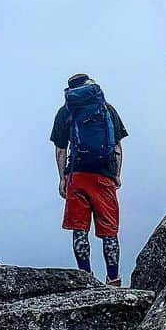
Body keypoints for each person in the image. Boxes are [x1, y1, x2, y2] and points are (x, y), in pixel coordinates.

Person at [50, 73, 128, 286]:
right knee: (109, 231)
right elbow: (118, 148)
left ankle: (85, 278)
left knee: (79, 229)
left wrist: (62, 179)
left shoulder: (66, 111)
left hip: (77, 175)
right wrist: (117, 175)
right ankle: (113, 278)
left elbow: (60, 150)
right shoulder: (107, 109)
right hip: (105, 177)